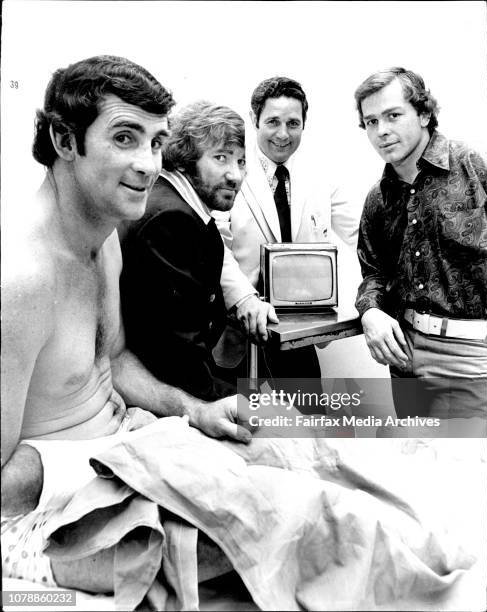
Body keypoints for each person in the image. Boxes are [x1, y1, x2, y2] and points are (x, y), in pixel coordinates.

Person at [1, 55, 252, 588]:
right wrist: (108, 460)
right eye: (125, 138)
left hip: (121, 452)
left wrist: (194, 413)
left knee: (290, 454)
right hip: (41, 519)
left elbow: (112, 360)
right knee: (263, 528)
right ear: (65, 141)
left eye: (157, 142)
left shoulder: (105, 238)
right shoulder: (18, 281)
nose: (149, 163)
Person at [354, 67, 487, 423]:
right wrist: (370, 312)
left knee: (467, 472)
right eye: (370, 122)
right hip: (404, 355)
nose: (381, 131)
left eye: (393, 115)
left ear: (424, 113)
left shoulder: (473, 168)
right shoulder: (377, 199)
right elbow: (373, 274)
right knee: (414, 471)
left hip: (470, 356)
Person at [212, 76, 359, 384]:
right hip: (239, 335)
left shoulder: (321, 176)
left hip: (297, 335)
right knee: (244, 427)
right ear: (254, 120)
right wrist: (245, 301)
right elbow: (216, 249)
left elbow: (362, 235)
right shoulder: (230, 172)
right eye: (273, 122)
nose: (282, 134)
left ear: (304, 124)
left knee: (309, 422)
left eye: (293, 123)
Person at [120, 101, 253, 401]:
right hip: (163, 396)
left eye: (241, 162)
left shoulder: (174, 204)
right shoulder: (171, 220)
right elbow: (178, 362)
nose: (236, 175)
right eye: (221, 158)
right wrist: (258, 409)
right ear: (184, 158)